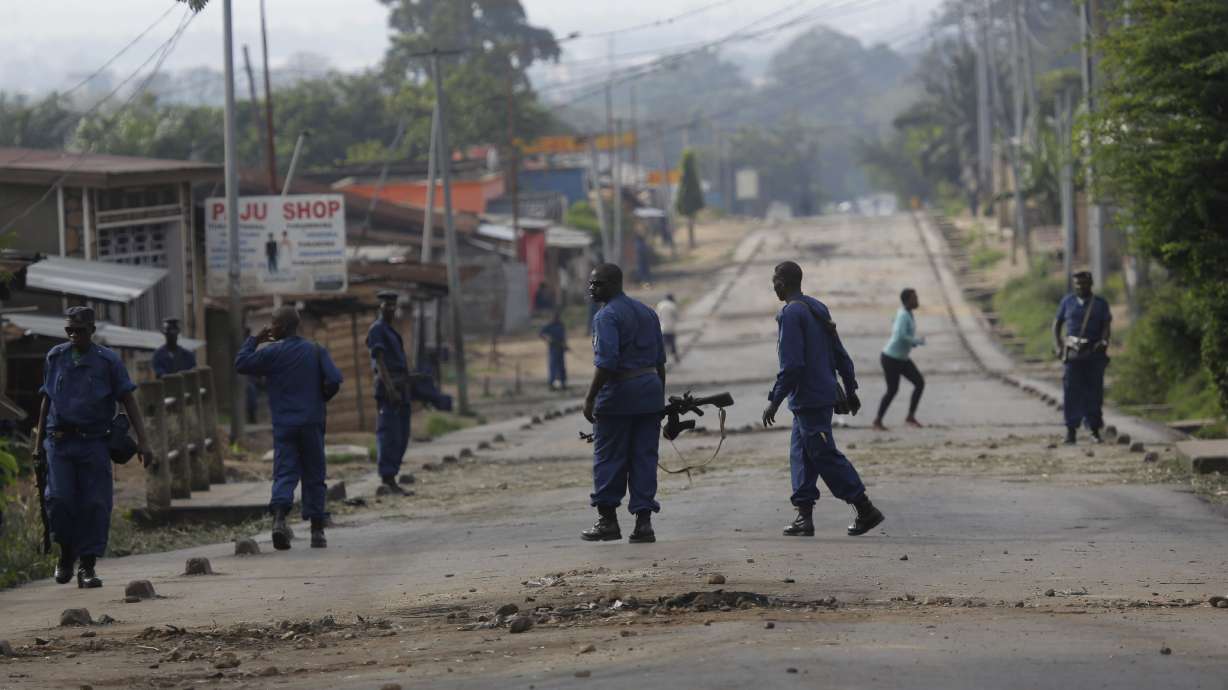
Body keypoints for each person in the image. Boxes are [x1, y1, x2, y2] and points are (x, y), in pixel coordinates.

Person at [31, 307, 154, 588]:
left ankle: (87, 565)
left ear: (92, 331)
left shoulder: (108, 361)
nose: (74, 335)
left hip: (94, 442)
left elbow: (128, 400)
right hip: (59, 442)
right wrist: (38, 446)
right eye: (69, 330)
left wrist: (144, 442)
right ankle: (66, 554)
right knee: (59, 500)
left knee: (95, 503)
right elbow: (46, 401)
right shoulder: (55, 357)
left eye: (80, 330)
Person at [761, 261, 885, 538]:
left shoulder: (791, 314)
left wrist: (775, 400)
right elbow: (839, 351)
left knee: (824, 455)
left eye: (774, 281)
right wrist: (850, 388)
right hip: (814, 397)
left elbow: (792, 365)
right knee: (801, 454)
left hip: (810, 398)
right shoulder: (817, 308)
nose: (773, 287)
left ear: (781, 283)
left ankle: (864, 508)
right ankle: (804, 516)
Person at [235, 306, 343, 550]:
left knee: (285, 472)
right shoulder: (316, 351)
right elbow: (334, 380)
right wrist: (321, 399)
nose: (270, 327)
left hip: (285, 424)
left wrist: (255, 339)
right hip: (312, 422)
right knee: (314, 474)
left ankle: (279, 521)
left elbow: (241, 363)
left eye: (273, 323)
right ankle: (317, 532)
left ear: (281, 327)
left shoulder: (272, 353)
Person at [581, 263, 666, 544]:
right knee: (644, 457)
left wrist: (590, 397)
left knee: (609, 457)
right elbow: (660, 362)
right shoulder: (647, 312)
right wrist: (658, 398)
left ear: (615, 284)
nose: (592, 289)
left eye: (598, 284)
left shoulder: (606, 316)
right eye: (591, 283)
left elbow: (606, 363)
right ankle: (644, 524)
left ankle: (608, 521)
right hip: (649, 394)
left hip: (619, 395)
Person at [1053, 270, 1112, 444]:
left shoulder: (1100, 304)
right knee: (1071, 392)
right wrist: (1058, 346)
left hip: (1093, 353)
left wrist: (1104, 341)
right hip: (1073, 354)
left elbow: (1106, 325)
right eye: (1077, 284)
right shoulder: (1067, 302)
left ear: (1091, 284)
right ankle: (1071, 431)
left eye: (1084, 283)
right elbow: (1056, 324)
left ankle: (1094, 429)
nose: (1081, 287)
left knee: (1094, 392)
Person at [366, 291, 413, 495]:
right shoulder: (377, 329)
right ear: (380, 307)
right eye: (387, 305)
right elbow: (380, 361)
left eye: (394, 305)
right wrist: (390, 389)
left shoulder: (391, 330)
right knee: (389, 433)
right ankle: (387, 477)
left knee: (402, 433)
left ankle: (393, 474)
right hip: (389, 389)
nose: (391, 309)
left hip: (401, 387)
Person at [872, 288, 926, 430]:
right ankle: (877, 421)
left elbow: (895, 323)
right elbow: (900, 335)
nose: (917, 300)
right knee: (892, 390)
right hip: (891, 358)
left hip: (901, 358)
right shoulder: (903, 315)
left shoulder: (906, 313)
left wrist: (912, 342)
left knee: (919, 383)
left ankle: (910, 416)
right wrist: (916, 341)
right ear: (907, 300)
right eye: (914, 298)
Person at [539, 309, 568, 390]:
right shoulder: (549, 325)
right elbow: (541, 334)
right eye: (554, 317)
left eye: (557, 317)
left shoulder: (561, 325)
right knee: (553, 366)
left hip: (560, 348)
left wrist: (565, 345)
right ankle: (551, 384)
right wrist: (547, 338)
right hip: (553, 348)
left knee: (562, 367)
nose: (556, 318)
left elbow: (564, 337)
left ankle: (563, 383)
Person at [655, 293, 680, 363]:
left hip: (662, 328)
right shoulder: (672, 305)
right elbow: (676, 316)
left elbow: (657, 316)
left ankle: (663, 360)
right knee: (672, 344)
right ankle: (676, 358)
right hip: (671, 328)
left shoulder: (660, 305)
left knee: (663, 346)